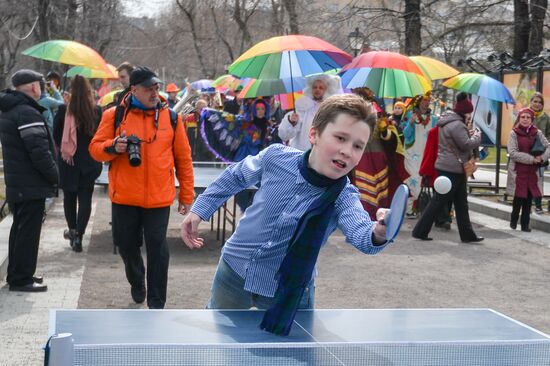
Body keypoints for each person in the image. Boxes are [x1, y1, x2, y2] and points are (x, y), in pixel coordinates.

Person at [181, 94, 391, 335]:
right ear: (314, 135)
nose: (347, 151)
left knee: (287, 354)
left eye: (357, 146)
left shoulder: (345, 196)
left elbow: (362, 234)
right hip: (234, 271)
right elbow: (236, 176)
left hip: (289, 290)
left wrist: (380, 231)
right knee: (216, 342)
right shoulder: (275, 156)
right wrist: (200, 209)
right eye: (340, 138)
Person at [89, 66, 194, 309]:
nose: (155, 92)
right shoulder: (113, 115)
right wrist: (113, 147)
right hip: (124, 197)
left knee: (158, 250)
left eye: (156, 88)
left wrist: (186, 195)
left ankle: (157, 304)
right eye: (149, 89)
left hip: (159, 198)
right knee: (126, 245)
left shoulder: (172, 118)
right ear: (134, 89)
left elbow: (184, 159)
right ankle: (137, 280)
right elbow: (94, 149)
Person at [0, 69, 59, 292]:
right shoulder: (26, 112)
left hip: (20, 184)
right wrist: (55, 176)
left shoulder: (12, 108)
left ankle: (19, 273)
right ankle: (20, 279)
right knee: (27, 233)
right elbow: (39, 152)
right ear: (35, 87)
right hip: (30, 184)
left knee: (20, 230)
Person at [412, 92, 483, 243]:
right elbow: (466, 144)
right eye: (468, 113)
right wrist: (477, 135)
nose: (469, 116)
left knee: (460, 203)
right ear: (464, 112)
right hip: (454, 169)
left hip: (449, 167)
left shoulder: (448, 122)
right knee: (440, 201)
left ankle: (467, 235)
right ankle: (420, 230)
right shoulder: (457, 125)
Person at [53, 75, 103, 252]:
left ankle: (72, 231)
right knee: (85, 199)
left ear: (72, 91)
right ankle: (79, 237)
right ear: (89, 91)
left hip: (69, 162)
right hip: (90, 162)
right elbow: (100, 135)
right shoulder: (97, 111)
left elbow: (57, 136)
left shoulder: (63, 110)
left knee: (69, 199)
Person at [506, 108, 550, 232]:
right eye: (523, 117)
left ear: (532, 120)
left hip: (532, 172)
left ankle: (525, 225)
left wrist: (541, 158)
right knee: (518, 198)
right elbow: (513, 153)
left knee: (528, 199)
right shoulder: (513, 133)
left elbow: (548, 147)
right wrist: (532, 159)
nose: (525, 119)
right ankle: (514, 220)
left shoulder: (537, 133)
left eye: (528, 117)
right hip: (518, 171)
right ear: (519, 119)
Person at [278, 74, 341, 151]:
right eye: (315, 87)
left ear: (326, 90)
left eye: (321, 88)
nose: (317, 89)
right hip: (300, 153)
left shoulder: (330, 110)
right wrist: (291, 122)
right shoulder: (302, 107)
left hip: (321, 153)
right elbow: (284, 136)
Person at [402, 92, 438, 218]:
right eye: (424, 100)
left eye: (428, 100)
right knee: (412, 179)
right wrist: (410, 123)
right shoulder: (409, 115)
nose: (426, 103)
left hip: (426, 154)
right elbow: (405, 135)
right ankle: (409, 208)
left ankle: (422, 208)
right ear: (418, 102)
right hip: (412, 153)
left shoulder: (433, 119)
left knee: (424, 180)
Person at [529, 92, 549, 213]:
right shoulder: (525, 115)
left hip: (540, 153)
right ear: (531, 102)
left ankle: (538, 205)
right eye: (535, 101)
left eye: (539, 102)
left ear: (542, 105)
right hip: (526, 153)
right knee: (526, 178)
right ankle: (526, 204)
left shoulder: (546, 118)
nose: (537, 104)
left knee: (538, 179)